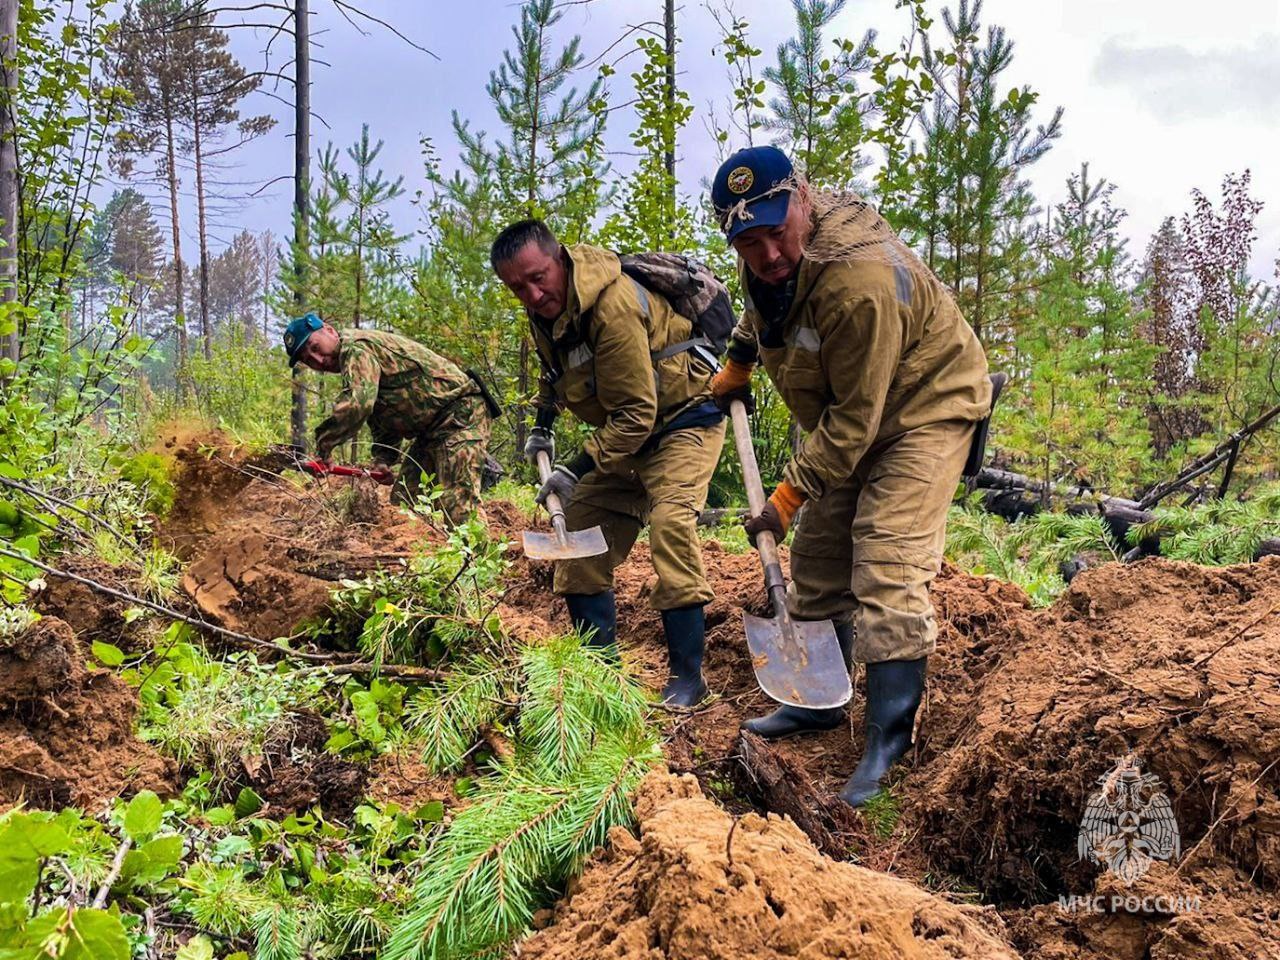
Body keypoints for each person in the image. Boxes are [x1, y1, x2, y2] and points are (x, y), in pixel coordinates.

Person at [707, 146, 993, 807]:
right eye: (749, 241)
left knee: (886, 554)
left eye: (777, 232)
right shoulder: (768, 259)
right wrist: (739, 361)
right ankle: (817, 703)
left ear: (801, 201)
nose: (768, 253)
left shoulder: (859, 282)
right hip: (855, 407)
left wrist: (784, 497)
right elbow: (765, 306)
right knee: (818, 558)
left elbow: (854, 428)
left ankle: (889, 743)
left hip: (925, 404)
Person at [489, 220, 726, 707]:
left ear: (560, 259)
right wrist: (542, 424)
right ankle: (602, 678)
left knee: (671, 525)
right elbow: (555, 372)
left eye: (538, 278)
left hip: (683, 422)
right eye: (518, 288)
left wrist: (573, 468)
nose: (532, 294)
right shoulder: (549, 313)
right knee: (577, 537)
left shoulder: (611, 305)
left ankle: (688, 679)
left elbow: (637, 413)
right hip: (626, 439)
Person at [283, 313, 493, 524]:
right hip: (432, 431)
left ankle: (480, 556)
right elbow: (382, 415)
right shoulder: (357, 366)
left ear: (329, 330)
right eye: (309, 359)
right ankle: (422, 555)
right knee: (405, 501)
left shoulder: (356, 348)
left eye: (315, 348)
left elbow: (359, 404)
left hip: (460, 415)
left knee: (459, 502)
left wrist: (324, 445)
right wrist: (383, 459)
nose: (318, 360)